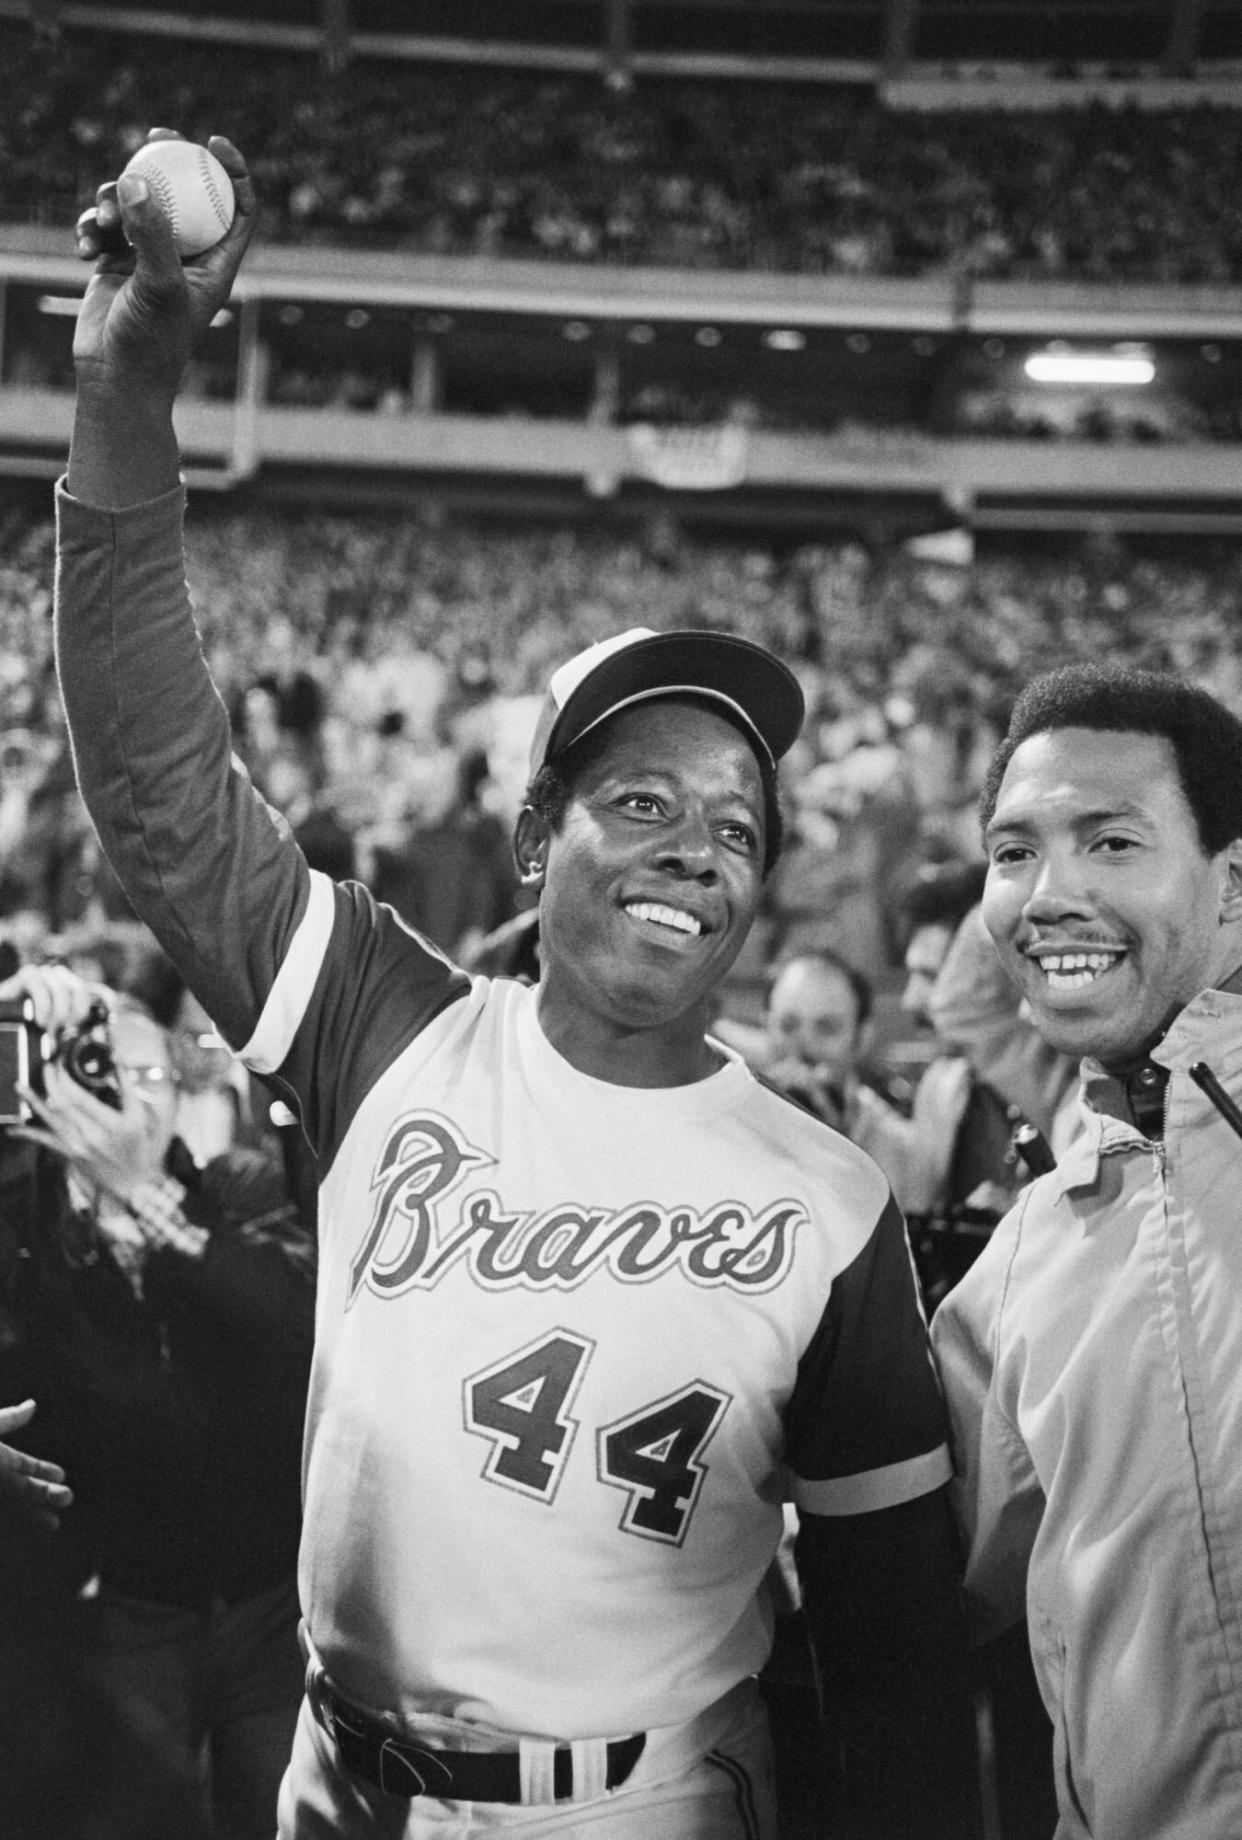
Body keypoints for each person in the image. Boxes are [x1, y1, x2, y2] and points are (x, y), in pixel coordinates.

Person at [57, 131, 983, 1840]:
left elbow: (898, 1650)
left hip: (642, 1812)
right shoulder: (392, 1020)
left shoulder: (833, 1199)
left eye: (734, 824)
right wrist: (128, 388)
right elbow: (156, 790)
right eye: (640, 800)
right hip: (334, 1783)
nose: (694, 845)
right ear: (536, 831)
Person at [930, 661, 1242, 1838]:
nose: (1048, 892)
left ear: (1235, 883)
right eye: (1014, 853)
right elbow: (888, 1587)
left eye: (1111, 842)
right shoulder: (1023, 1267)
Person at [0, 962, 314, 1840]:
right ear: (55, 1091)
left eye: (152, 1077)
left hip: (266, 1612)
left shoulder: (238, 1188)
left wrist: (148, 1194)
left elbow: (295, 1328)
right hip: (126, 1612)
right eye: (104, 1074)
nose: (134, 1100)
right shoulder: (20, 1226)